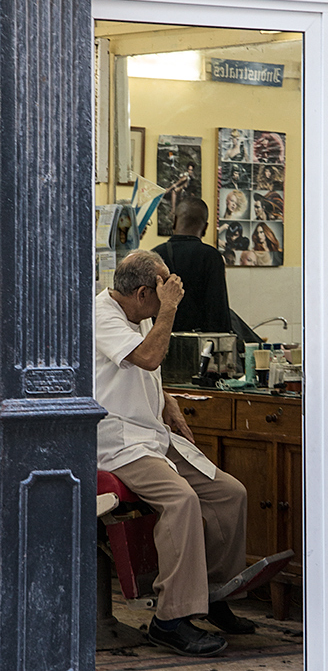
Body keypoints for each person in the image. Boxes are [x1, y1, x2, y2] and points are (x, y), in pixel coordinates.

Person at [95, 249, 255, 657]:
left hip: (153, 433)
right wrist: (168, 310)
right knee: (181, 500)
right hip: (119, 442)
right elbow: (147, 355)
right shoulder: (101, 317)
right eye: (163, 288)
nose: (172, 292)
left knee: (229, 493)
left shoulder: (142, 311)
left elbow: (148, 364)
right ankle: (171, 619)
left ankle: (210, 594)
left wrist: (169, 402)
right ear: (144, 291)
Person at [153, 198, 232, 333]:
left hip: (161, 338)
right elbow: (218, 311)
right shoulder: (211, 257)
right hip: (202, 344)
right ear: (205, 228)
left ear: (174, 221)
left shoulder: (155, 255)